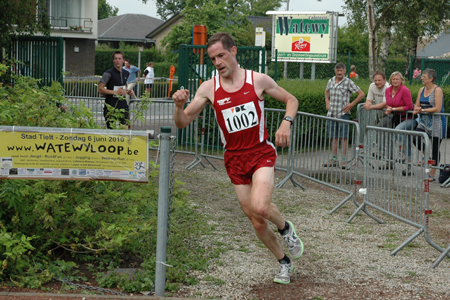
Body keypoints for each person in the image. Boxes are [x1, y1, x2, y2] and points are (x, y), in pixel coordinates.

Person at [172, 32, 303, 285]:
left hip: (260, 152)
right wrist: (179, 107)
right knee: (256, 220)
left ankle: (286, 228)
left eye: (221, 55)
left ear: (233, 52)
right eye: (213, 58)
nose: (218, 62)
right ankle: (283, 262)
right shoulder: (209, 88)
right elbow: (183, 122)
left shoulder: (258, 80)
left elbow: (291, 100)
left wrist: (286, 123)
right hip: (234, 159)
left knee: (261, 207)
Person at [324, 62, 365, 168]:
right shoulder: (331, 81)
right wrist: (327, 101)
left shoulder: (348, 82)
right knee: (333, 137)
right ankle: (333, 159)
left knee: (343, 137)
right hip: (332, 113)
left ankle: (343, 160)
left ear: (344, 71)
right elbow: (326, 91)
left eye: (341, 70)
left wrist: (352, 104)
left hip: (343, 113)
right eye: (337, 70)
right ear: (335, 71)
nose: (339, 72)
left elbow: (361, 94)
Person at [412, 69, 446, 182]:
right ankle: (426, 155)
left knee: (436, 147)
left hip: (437, 122)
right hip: (424, 121)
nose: (422, 78)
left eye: (424, 76)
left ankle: (432, 172)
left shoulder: (438, 90)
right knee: (415, 137)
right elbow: (417, 105)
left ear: (431, 79)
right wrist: (416, 109)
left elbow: (437, 108)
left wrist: (422, 110)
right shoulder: (421, 90)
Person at [377, 71, 414, 172]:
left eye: (397, 79)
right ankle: (387, 158)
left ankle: (404, 157)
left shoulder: (405, 90)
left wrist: (393, 109)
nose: (395, 81)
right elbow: (389, 103)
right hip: (395, 117)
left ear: (401, 80)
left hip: (407, 118)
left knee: (400, 132)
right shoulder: (388, 90)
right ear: (390, 80)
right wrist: (389, 107)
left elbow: (409, 106)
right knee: (383, 130)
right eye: (393, 79)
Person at [98, 51, 134, 129]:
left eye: (119, 58)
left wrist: (128, 91)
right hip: (111, 107)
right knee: (111, 132)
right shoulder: (108, 73)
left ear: (123, 60)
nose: (118, 60)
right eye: (116, 58)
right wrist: (115, 92)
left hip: (123, 106)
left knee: (125, 129)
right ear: (113, 60)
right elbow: (100, 89)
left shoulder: (126, 73)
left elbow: (123, 87)